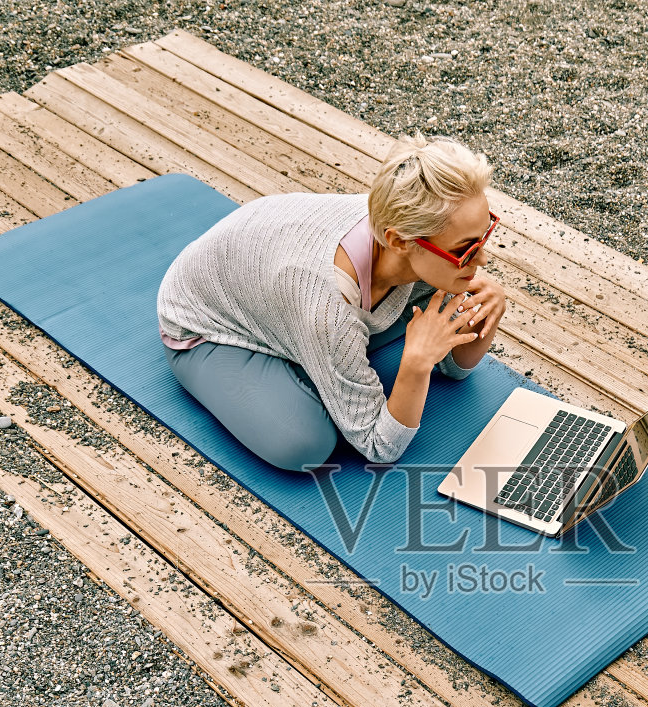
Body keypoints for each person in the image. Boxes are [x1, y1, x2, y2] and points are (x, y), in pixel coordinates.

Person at [156, 133, 509, 471]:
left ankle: (317, 355)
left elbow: (455, 368)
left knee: (387, 328)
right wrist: (415, 365)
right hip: (205, 321)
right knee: (303, 443)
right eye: (464, 250)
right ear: (399, 241)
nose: (483, 261)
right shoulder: (329, 309)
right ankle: (300, 354)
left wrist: (485, 318)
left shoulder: (414, 228)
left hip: (274, 273)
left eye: (484, 234)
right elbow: (379, 445)